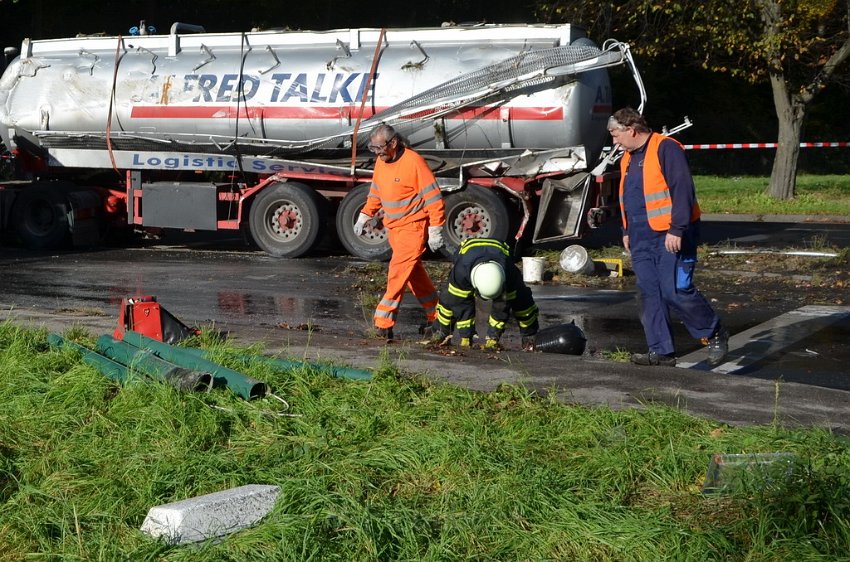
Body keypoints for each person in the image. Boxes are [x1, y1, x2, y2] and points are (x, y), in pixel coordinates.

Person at [609, 107, 728, 367]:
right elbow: (628, 197)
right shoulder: (627, 158)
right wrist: (626, 231)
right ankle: (661, 351)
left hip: (670, 234)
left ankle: (714, 332)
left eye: (616, 134)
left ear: (631, 129)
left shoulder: (666, 148)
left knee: (674, 290)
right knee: (649, 292)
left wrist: (677, 229)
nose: (614, 141)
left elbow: (682, 189)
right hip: (640, 235)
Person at [354, 123, 446, 341]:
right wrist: (366, 214)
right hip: (394, 229)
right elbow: (376, 192)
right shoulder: (381, 162)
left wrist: (435, 229)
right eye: (373, 148)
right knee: (414, 276)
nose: (376, 153)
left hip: (413, 228)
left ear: (393, 143)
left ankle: (383, 322)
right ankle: (439, 317)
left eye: (379, 148)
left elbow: (433, 198)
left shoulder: (414, 162)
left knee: (397, 273)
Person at [430, 237, 539, 351]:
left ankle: (529, 337)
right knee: (450, 298)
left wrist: (493, 337)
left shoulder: (509, 273)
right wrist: (466, 335)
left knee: (523, 300)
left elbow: (502, 307)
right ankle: (441, 332)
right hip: (468, 253)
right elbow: (461, 305)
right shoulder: (461, 272)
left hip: (500, 252)